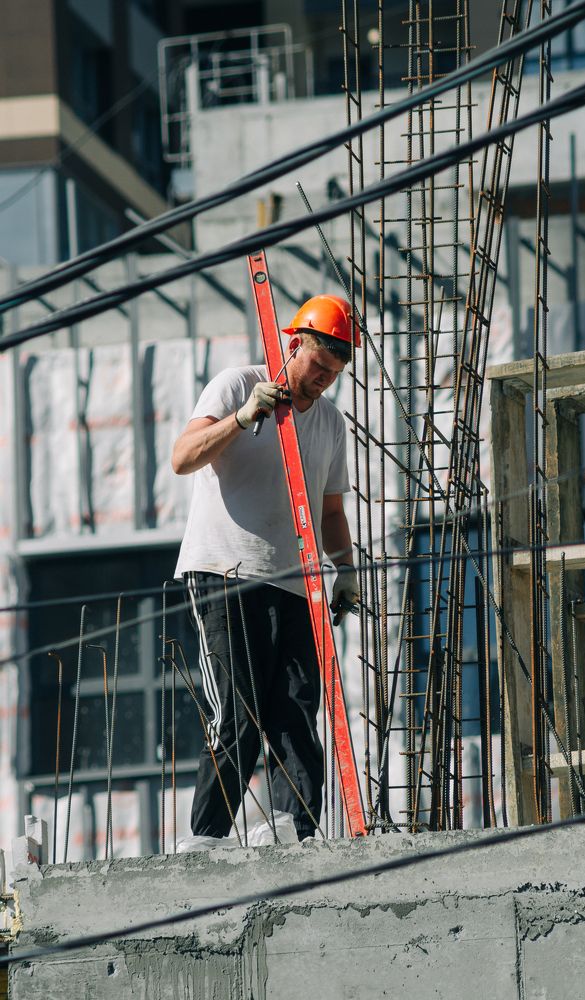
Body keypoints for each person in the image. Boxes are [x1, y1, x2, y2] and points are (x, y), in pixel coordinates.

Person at [171, 294, 361, 841]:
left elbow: (329, 511)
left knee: (297, 710)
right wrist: (240, 417)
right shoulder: (237, 384)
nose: (323, 378)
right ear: (293, 345)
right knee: (239, 708)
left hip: (294, 583)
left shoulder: (330, 424)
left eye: (334, 371)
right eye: (317, 365)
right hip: (223, 573)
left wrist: (345, 568)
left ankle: (294, 829)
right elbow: (183, 458)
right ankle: (206, 838)